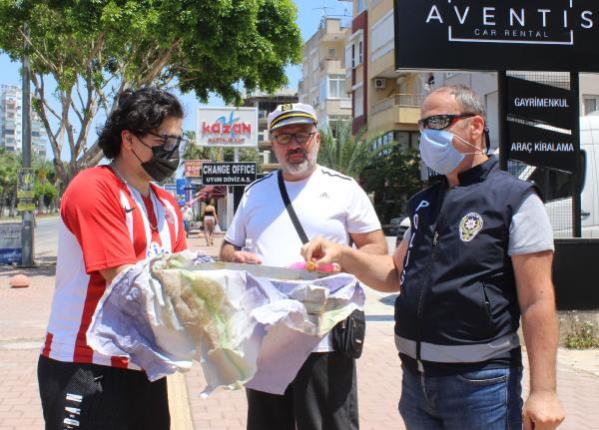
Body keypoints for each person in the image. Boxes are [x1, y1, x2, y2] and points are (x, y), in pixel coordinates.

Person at [302, 85, 565, 430]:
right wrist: (342, 254)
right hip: (416, 380)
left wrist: (544, 391)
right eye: (424, 124)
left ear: (475, 126)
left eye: (440, 121)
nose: (429, 133)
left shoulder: (514, 198)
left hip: (481, 384)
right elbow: (395, 273)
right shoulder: (425, 203)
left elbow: (538, 300)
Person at [219, 102, 387, 430]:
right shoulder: (254, 194)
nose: (294, 144)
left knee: (327, 425)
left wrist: (342, 256)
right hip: (267, 341)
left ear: (318, 139)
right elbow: (228, 247)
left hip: (324, 338)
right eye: (284, 137)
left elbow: (377, 250)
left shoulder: (344, 189)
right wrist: (234, 257)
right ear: (273, 144)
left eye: (302, 135)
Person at [37, 88, 187, 430]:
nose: (172, 151)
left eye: (178, 141)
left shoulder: (168, 205)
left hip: (144, 367)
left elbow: (182, 280)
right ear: (129, 139)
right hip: (86, 366)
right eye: (163, 140)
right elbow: (124, 282)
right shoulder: (94, 188)